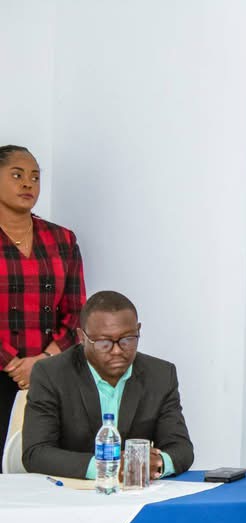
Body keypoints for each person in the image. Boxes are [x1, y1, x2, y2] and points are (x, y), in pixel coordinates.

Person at [22, 290, 193, 479]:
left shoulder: (160, 375)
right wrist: (106, 467)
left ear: (138, 330)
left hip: (134, 492)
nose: (117, 351)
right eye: (104, 342)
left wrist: (158, 463)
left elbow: (182, 449)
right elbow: (35, 453)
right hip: (70, 489)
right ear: (82, 337)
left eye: (127, 339)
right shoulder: (51, 374)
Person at [0, 145, 85, 466]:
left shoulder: (62, 239)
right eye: (17, 175)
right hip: (5, 370)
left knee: (47, 467)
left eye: (35, 177)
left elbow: (77, 311)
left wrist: (43, 362)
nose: (28, 184)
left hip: (51, 374)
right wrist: (13, 364)